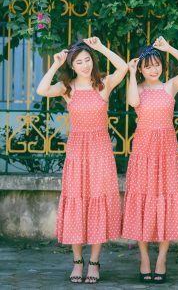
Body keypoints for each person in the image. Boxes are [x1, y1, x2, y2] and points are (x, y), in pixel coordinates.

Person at [36, 37, 128, 283]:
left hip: (100, 151)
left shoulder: (103, 85)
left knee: (97, 201)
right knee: (77, 202)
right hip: (77, 153)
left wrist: (100, 47)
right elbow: (42, 90)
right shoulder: (68, 88)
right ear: (72, 66)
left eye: (88, 60)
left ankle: (95, 263)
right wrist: (55, 65)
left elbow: (124, 68)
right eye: (79, 62)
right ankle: (77, 262)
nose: (85, 65)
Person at [122, 36, 178, 283]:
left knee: (166, 199)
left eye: (157, 65)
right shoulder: (139, 88)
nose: (153, 70)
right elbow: (132, 101)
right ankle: (144, 257)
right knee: (142, 199)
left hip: (167, 152)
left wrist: (169, 48)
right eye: (148, 66)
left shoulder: (170, 87)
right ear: (142, 69)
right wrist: (131, 73)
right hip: (143, 150)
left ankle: (162, 258)